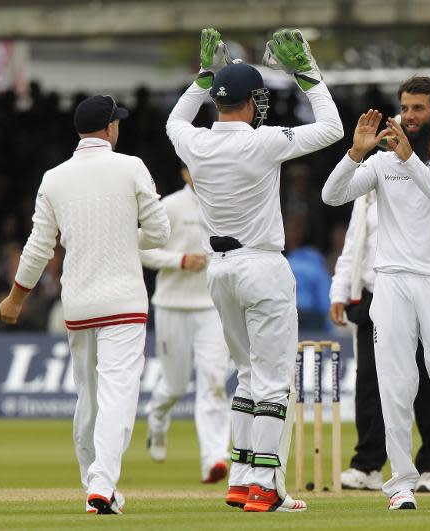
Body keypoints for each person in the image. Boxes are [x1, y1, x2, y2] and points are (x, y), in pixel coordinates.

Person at [166, 28, 343, 513]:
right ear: (248, 103)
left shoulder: (194, 143)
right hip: (262, 266)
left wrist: (202, 77)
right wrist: (307, 72)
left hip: (219, 273)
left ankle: (242, 477)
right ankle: (265, 484)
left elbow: (173, 120)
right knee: (272, 380)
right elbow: (331, 128)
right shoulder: (262, 142)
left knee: (247, 375)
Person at [0, 94, 170, 514]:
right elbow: (160, 233)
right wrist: (126, 238)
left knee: (87, 398)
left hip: (78, 303)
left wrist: (16, 297)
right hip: (124, 302)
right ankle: (101, 483)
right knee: (117, 396)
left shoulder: (54, 178)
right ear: (111, 128)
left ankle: (93, 484)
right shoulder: (131, 167)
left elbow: (39, 246)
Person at [322, 76, 430, 511]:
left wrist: (410, 159)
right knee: (395, 383)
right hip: (390, 281)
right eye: (404, 108)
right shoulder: (381, 164)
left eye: (417, 109)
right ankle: (400, 481)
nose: (408, 116)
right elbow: (332, 195)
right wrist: (356, 152)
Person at [330, 190, 430, 493]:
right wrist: (339, 290)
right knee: (370, 383)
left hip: (429, 295)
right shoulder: (372, 186)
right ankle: (368, 465)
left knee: (428, 384)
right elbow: (354, 244)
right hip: (376, 294)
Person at [141, 163, 231, 484]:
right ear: (183, 174)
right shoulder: (170, 206)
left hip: (210, 307)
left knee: (214, 381)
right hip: (171, 305)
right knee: (176, 385)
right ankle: (157, 419)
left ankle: (214, 459)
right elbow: (143, 251)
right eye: (193, 170)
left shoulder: (225, 203)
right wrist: (180, 261)